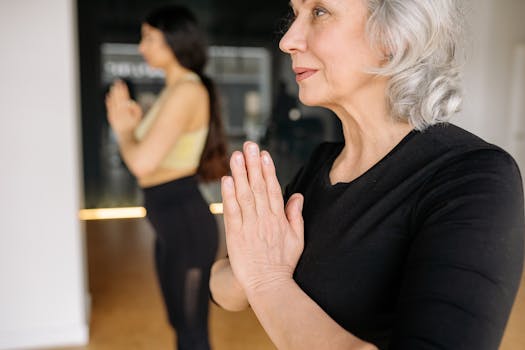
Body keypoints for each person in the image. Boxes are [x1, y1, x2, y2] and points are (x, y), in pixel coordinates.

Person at [209, 0, 524, 349]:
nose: (288, 40)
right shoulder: (319, 165)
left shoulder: (473, 178)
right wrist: (252, 270)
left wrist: (268, 280)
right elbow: (222, 290)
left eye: (319, 11)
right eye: (295, 14)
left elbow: (260, 278)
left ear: (394, 36)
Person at [105, 5, 228, 350]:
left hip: (184, 223)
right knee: (180, 323)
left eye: (148, 38)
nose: (141, 47)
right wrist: (134, 124)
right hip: (171, 222)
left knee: (192, 332)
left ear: (174, 39)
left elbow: (142, 163)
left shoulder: (187, 90)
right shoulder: (174, 91)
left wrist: (124, 130)